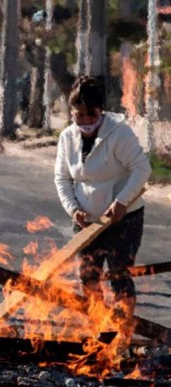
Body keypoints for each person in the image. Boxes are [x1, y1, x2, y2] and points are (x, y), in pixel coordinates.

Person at [54, 76, 151, 331]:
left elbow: (142, 169)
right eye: (79, 115)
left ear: (101, 111)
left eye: (91, 114)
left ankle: (123, 332)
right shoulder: (67, 137)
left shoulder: (119, 134)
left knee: (119, 276)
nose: (85, 121)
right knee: (88, 277)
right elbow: (62, 177)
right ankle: (97, 329)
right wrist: (73, 209)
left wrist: (121, 202)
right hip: (87, 222)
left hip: (123, 219)